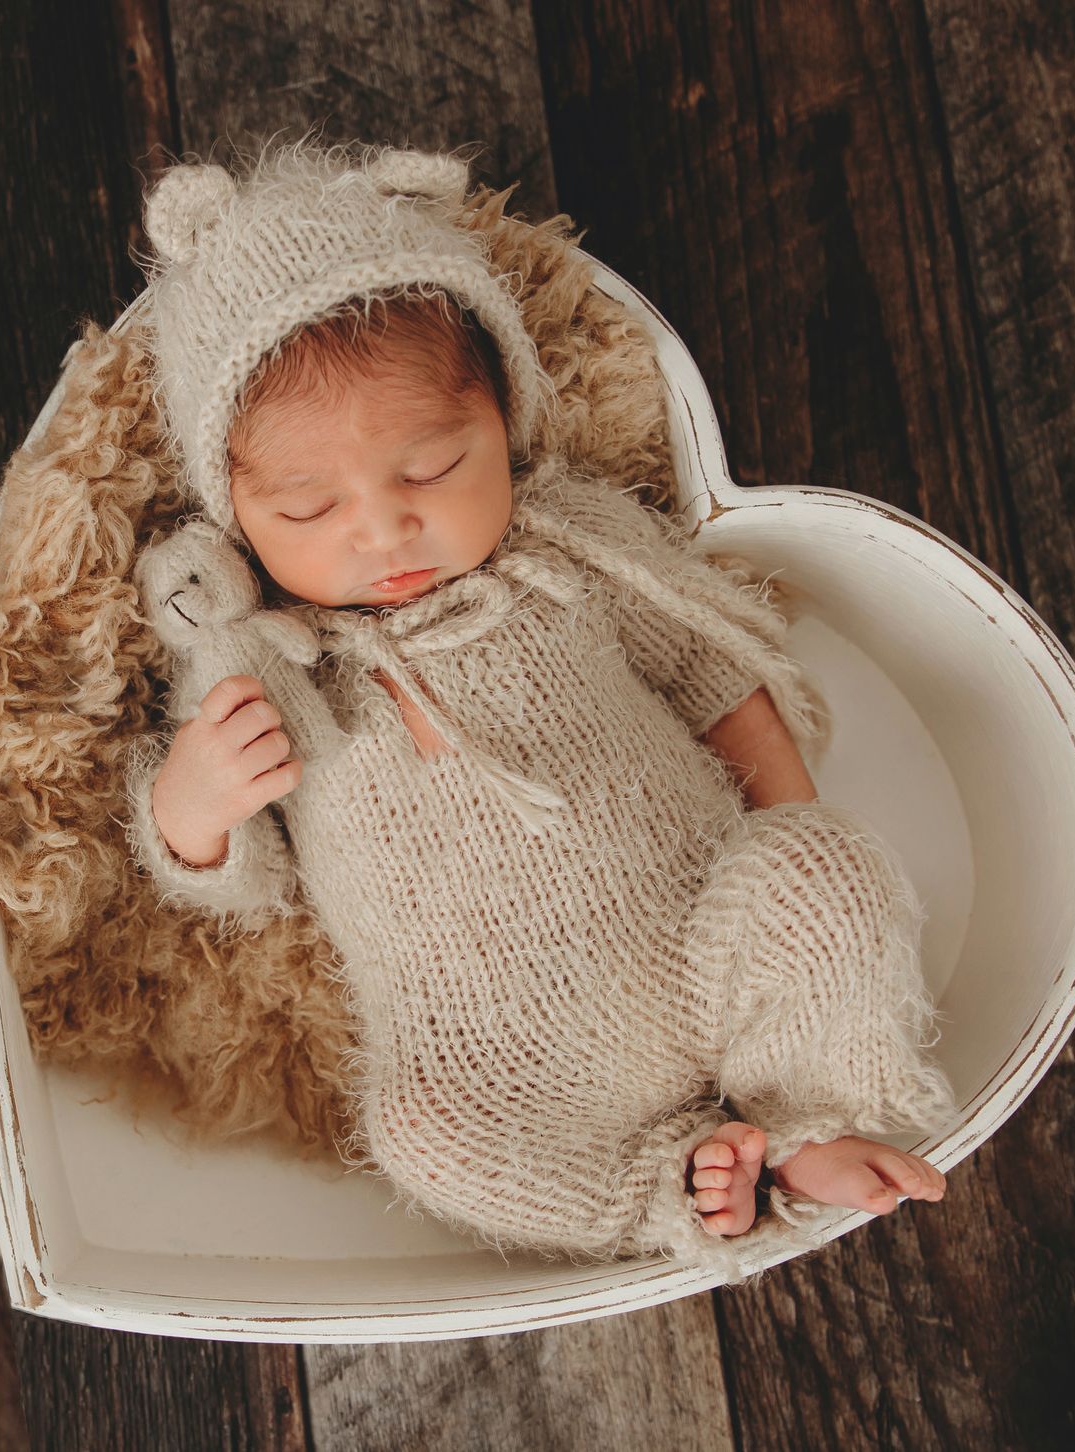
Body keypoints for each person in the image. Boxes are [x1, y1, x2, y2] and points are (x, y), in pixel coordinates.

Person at [124, 138, 951, 1280]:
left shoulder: (570, 544)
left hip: (704, 935)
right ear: (237, 521)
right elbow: (232, 874)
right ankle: (673, 1186)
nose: (382, 530)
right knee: (420, 1136)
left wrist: (782, 836)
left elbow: (717, 676)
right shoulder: (260, 663)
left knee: (831, 872)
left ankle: (811, 1120)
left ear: (505, 421)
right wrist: (194, 798)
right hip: (509, 1056)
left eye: (430, 470)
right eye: (309, 507)